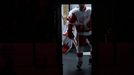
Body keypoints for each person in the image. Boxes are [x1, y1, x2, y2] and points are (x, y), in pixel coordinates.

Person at [66, 4, 92, 70]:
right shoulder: (75, 12)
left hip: (90, 32)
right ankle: (80, 61)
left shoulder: (90, 10)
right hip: (81, 33)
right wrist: (69, 31)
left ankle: (91, 57)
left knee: (93, 46)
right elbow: (70, 22)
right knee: (79, 48)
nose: (81, 5)